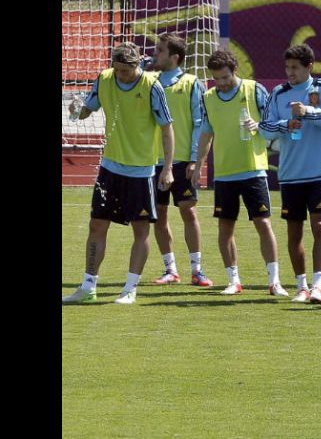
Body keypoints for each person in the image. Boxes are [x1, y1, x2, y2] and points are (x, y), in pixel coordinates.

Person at [62, 42, 174, 305]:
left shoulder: (152, 86)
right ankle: (88, 287)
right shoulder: (105, 78)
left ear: (137, 66)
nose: (120, 75)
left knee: (140, 230)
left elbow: (167, 128)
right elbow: (87, 110)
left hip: (141, 171)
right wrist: (76, 109)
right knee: (96, 225)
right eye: (117, 69)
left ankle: (130, 289)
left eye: (125, 71)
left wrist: (167, 168)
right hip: (109, 168)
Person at [191, 49, 287, 297]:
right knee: (225, 228)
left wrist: (259, 126)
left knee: (263, 223)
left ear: (235, 70)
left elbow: (273, 123)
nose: (221, 83)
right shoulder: (208, 98)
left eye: (225, 77)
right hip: (224, 174)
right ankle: (233, 280)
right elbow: (206, 134)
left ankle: (274, 281)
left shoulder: (254, 90)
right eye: (216, 79)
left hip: (253, 171)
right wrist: (198, 164)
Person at [259, 44, 321, 304]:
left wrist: (308, 112)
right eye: (287, 67)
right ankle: (301, 286)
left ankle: (317, 285)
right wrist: (286, 124)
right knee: (294, 232)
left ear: (309, 67)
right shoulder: (279, 92)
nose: (290, 72)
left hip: (319, 172)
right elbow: (264, 128)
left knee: (319, 226)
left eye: (295, 67)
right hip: (290, 174)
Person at [148, 33, 213, 288]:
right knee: (159, 214)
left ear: (174, 57)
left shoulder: (192, 83)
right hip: (153, 160)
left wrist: (195, 159)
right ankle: (170, 270)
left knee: (189, 210)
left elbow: (200, 123)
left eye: (160, 50)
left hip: (183, 160)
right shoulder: (149, 81)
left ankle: (197, 270)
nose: (155, 54)